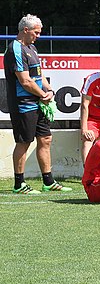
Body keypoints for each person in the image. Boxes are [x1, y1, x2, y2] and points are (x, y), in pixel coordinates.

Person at [5, 14, 71, 194]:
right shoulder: (15, 49)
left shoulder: (32, 47)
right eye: (36, 32)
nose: (39, 36)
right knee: (24, 142)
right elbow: (25, 81)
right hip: (23, 104)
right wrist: (43, 95)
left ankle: (48, 182)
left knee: (45, 139)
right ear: (25, 30)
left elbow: (39, 75)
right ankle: (19, 184)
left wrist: (50, 90)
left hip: (39, 102)